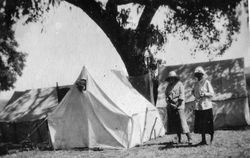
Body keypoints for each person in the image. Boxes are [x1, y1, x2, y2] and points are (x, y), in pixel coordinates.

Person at [165, 71, 192, 144]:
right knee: (176, 124)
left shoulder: (180, 84)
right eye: (170, 79)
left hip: (179, 106)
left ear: (175, 78)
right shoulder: (168, 87)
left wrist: (176, 105)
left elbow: (181, 96)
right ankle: (179, 139)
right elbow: (166, 96)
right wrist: (169, 103)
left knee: (182, 122)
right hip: (172, 106)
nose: (171, 80)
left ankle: (189, 138)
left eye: (172, 78)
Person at [192, 66, 215, 145]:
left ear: (202, 74)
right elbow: (195, 94)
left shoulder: (206, 82)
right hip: (199, 107)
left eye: (200, 74)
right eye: (197, 75)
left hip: (207, 106)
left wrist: (205, 94)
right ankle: (203, 140)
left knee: (209, 124)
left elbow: (212, 93)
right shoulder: (195, 84)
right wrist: (194, 93)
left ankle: (211, 139)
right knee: (201, 124)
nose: (198, 76)